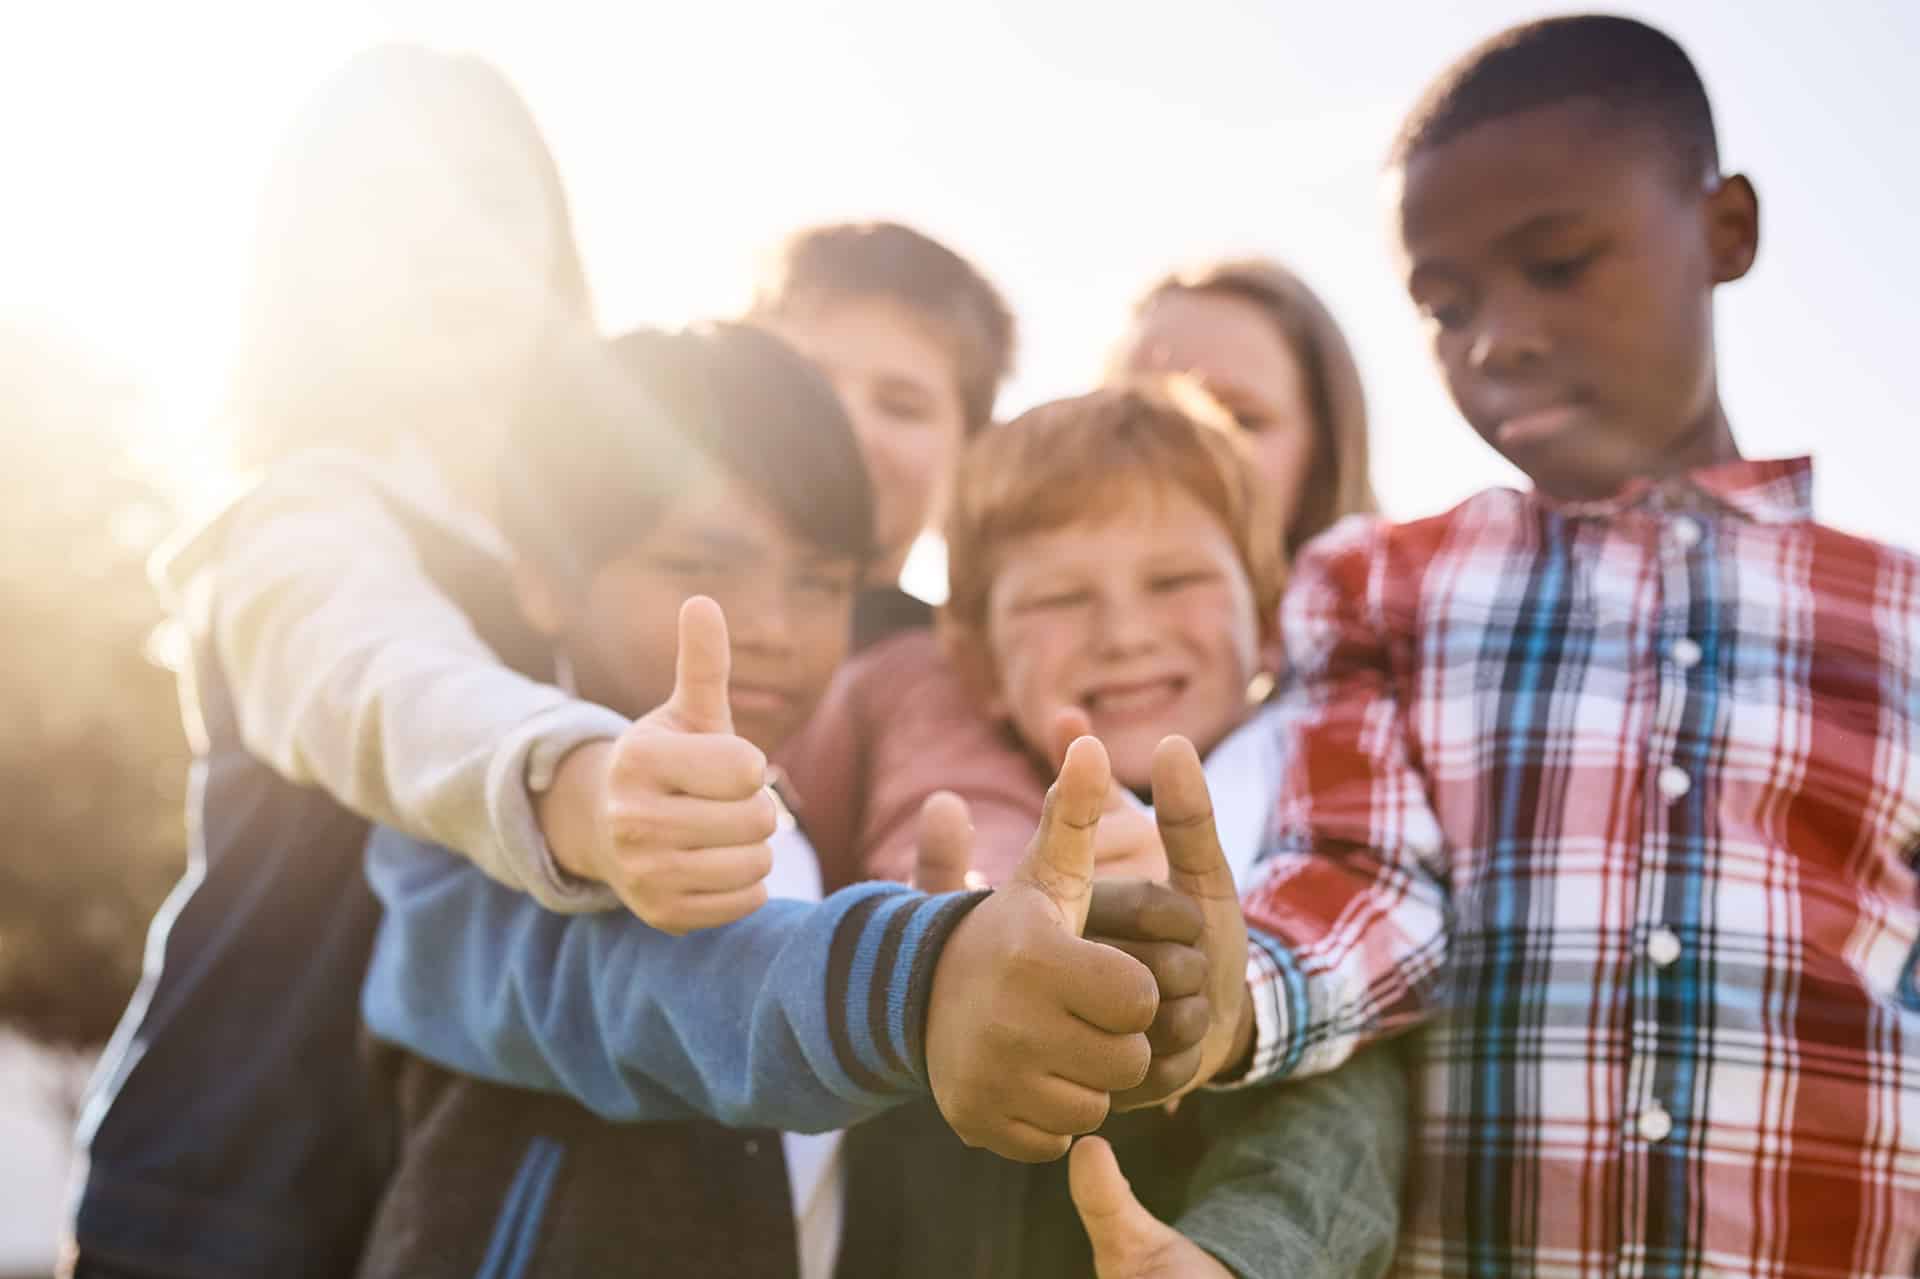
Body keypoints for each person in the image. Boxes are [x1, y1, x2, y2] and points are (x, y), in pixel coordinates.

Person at [1205, 14, 1920, 1275]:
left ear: (1725, 231)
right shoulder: (1384, 584)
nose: (1496, 339)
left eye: (1558, 264)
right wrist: (1214, 994)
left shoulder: (1901, 612)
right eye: (1447, 302)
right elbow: (1361, 882)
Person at [64, 46, 765, 1279]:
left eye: (490, 197)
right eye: (386, 210)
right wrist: (580, 782)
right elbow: (387, 688)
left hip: (460, 1198)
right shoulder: (293, 527)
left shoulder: (589, 534)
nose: (446, 244)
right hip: (228, 1193)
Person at [353, 325, 1239, 1276]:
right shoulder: (490, 816)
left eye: (819, 582)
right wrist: (927, 976)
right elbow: (651, 995)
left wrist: (1043, 990)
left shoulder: (805, 827)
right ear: (543, 577)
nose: (773, 627)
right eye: (701, 567)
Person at [828, 383, 1407, 1277]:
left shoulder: (1308, 820)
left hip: (1209, 1235)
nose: (1125, 633)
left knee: (1331, 1039)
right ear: (978, 663)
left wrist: (1241, 1253)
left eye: (1175, 581)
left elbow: (1353, 1111)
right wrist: (948, 951)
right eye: (1058, 598)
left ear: (1266, 625)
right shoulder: (963, 812)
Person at [747, 220, 1016, 649]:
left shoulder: (985, 686)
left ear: (969, 457)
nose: (849, 429)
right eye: (808, 384)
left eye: (902, 407)